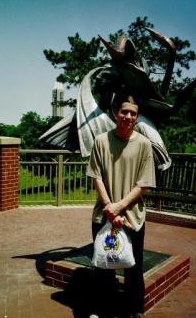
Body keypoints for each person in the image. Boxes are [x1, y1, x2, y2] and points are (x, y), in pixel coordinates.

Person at [87, 94, 156, 318]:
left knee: (133, 268)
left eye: (133, 113)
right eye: (124, 112)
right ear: (115, 114)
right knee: (103, 265)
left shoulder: (144, 145)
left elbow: (143, 183)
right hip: (103, 215)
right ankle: (101, 309)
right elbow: (96, 176)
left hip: (133, 217)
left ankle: (133, 311)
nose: (128, 116)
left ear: (137, 117)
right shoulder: (101, 141)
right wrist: (109, 207)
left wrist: (119, 207)